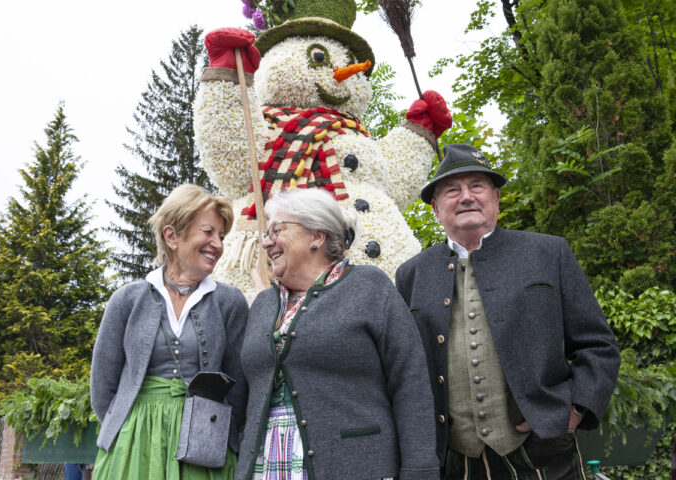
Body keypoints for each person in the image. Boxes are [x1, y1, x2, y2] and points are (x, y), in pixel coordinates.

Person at [395, 144, 621, 479]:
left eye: (477, 186)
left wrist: (572, 412)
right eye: (452, 190)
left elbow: (598, 347)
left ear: (496, 198)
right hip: (453, 460)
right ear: (435, 208)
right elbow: (404, 368)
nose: (466, 197)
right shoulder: (411, 274)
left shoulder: (548, 253)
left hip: (544, 453)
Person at [235, 188, 439, 480]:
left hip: (355, 465)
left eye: (277, 229)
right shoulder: (264, 304)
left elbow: (411, 383)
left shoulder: (370, 287)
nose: (267, 241)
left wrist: (419, 471)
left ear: (317, 235)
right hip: (267, 466)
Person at [90, 184, 249, 480]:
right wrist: (127, 430)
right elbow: (103, 386)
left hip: (204, 444)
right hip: (135, 440)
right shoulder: (127, 300)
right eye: (208, 232)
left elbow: (238, 389)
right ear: (172, 236)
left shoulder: (230, 303)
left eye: (221, 236)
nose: (217, 244)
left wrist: (223, 438)